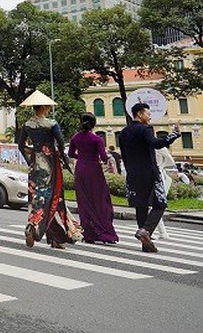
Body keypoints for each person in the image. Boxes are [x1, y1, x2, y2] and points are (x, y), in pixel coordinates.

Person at [17, 90, 80, 249]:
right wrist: (65, 162)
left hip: (35, 166)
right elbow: (60, 144)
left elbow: (20, 146)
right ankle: (35, 229)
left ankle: (53, 236)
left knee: (38, 198)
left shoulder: (27, 125)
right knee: (54, 198)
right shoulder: (52, 124)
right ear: (44, 107)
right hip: (51, 165)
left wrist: (30, 160)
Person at [119, 102, 179, 252]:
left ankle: (145, 244)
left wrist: (129, 171)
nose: (149, 116)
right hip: (150, 172)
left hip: (133, 174)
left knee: (141, 206)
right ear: (139, 114)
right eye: (148, 113)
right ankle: (146, 231)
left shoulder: (123, 132)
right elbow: (156, 144)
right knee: (160, 204)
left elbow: (124, 155)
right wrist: (173, 135)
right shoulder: (146, 129)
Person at [68, 113, 118, 244]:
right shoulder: (97, 139)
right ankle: (105, 232)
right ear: (94, 123)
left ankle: (89, 233)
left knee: (84, 202)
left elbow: (70, 153)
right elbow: (103, 157)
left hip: (81, 170)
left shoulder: (75, 137)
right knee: (101, 200)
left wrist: (82, 157)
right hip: (94, 170)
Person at [153, 146, 176, 240]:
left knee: (155, 205)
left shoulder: (158, 147)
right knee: (156, 205)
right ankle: (161, 232)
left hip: (159, 176)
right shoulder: (158, 146)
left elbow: (170, 161)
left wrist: (160, 166)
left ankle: (161, 232)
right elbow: (170, 161)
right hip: (158, 174)